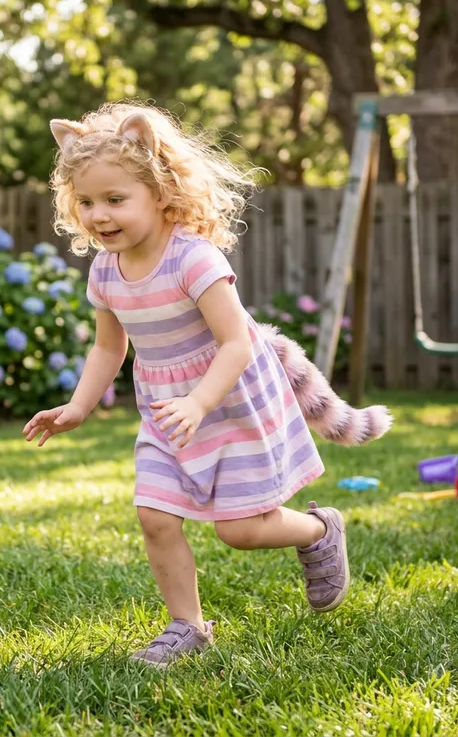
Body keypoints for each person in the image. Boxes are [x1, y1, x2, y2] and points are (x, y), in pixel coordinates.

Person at [22, 102, 392, 668]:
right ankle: (188, 625)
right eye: (87, 201)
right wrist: (78, 406)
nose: (99, 215)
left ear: (160, 190)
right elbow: (108, 348)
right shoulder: (105, 271)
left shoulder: (193, 259)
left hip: (231, 398)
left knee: (240, 530)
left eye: (115, 199)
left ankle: (318, 530)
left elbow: (238, 342)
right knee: (154, 516)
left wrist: (199, 401)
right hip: (166, 410)